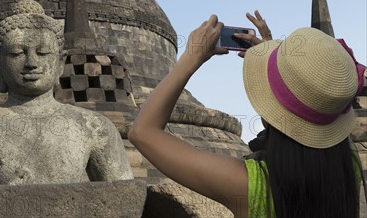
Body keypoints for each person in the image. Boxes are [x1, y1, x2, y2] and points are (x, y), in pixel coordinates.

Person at [128, 11, 364, 218]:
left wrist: (191, 58)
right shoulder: (348, 164)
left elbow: (143, 132)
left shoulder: (250, 185)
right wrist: (275, 63)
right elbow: (305, 118)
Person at [0, 0, 133, 185]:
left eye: (43, 53)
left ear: (60, 62)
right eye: (17, 53)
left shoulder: (96, 128)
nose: (31, 63)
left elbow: (126, 203)